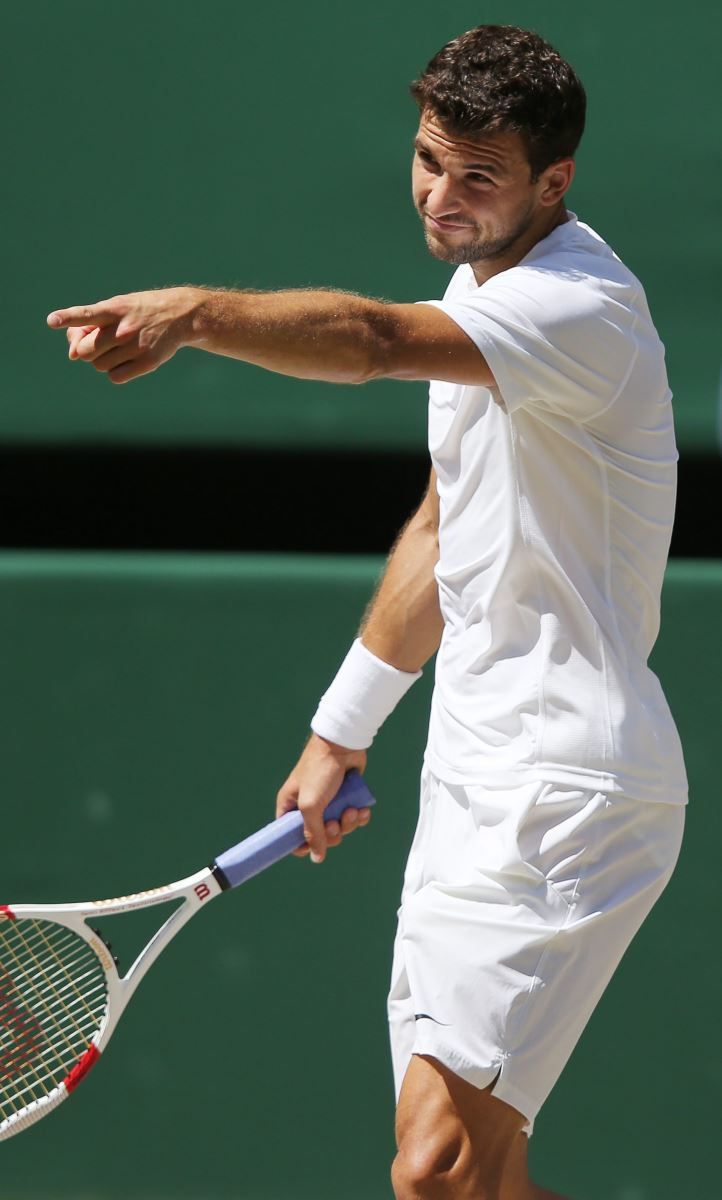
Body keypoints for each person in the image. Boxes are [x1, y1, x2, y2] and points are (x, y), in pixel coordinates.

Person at [47, 25, 687, 1200]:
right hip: (469, 775)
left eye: (479, 175)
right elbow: (444, 526)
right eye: (429, 160)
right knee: (465, 1183)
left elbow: (375, 341)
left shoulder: (582, 308)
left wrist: (196, 314)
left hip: (567, 789)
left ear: (554, 183)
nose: (441, 196)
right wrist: (341, 732)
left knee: (437, 1172)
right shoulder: (479, 286)